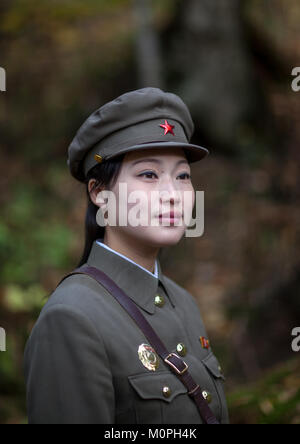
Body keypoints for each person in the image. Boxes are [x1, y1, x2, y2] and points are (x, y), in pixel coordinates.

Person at [23, 87, 230, 424]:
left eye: (183, 176)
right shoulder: (72, 320)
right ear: (99, 193)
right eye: (149, 175)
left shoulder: (184, 304)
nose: (173, 195)